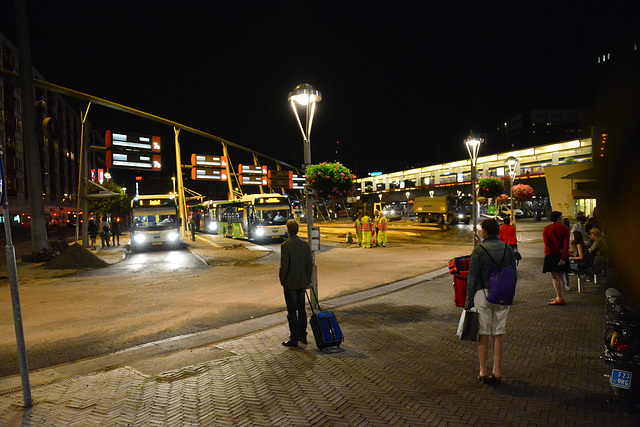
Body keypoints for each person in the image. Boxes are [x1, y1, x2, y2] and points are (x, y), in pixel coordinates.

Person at [466, 218, 517, 384]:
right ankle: (497, 370)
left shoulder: (479, 250)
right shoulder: (508, 249)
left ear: (485, 232)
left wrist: (468, 300)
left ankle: (482, 370)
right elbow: (514, 275)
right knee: (498, 333)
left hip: (483, 294)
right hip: (503, 293)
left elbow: (472, 278)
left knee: (483, 332)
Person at [279, 220, 313, 347]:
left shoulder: (286, 245)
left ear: (288, 230)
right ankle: (302, 335)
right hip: (302, 282)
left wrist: (283, 280)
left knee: (292, 312)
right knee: (302, 310)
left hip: (290, 284)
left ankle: (294, 338)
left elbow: (284, 267)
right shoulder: (305, 244)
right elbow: (309, 264)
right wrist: (308, 280)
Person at [542, 211, 570, 305]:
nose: (562, 219)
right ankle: (561, 296)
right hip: (562, 254)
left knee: (555, 277)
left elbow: (547, 243)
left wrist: (557, 249)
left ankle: (560, 298)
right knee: (561, 275)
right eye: (561, 218)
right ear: (558, 218)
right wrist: (563, 257)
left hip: (551, 254)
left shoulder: (547, 229)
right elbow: (566, 244)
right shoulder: (565, 229)